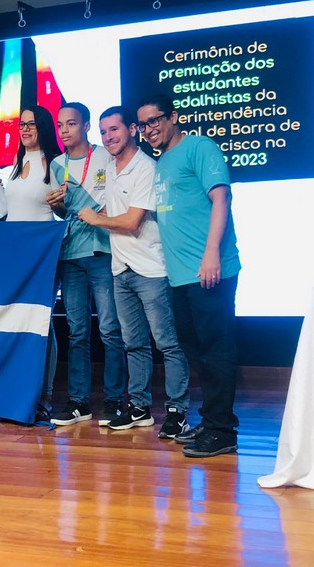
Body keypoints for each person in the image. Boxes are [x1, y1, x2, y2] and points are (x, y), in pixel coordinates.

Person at [136, 93, 241, 458]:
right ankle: (213, 420)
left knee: (216, 351)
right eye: (143, 125)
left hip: (210, 270)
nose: (149, 129)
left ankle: (222, 430)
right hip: (179, 275)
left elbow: (221, 198)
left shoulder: (200, 147)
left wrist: (211, 254)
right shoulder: (161, 162)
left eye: (155, 120)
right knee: (196, 350)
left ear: (173, 117)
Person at [77, 106, 190, 436]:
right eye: (103, 132)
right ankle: (139, 406)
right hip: (120, 266)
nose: (108, 137)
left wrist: (95, 219)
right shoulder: (110, 167)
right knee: (133, 343)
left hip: (150, 267)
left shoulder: (145, 167)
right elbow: (116, 209)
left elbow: (131, 221)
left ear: (131, 130)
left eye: (114, 130)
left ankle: (177, 410)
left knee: (167, 342)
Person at [46, 102, 126, 427]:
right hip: (70, 254)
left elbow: (117, 199)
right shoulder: (56, 163)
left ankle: (115, 400)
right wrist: (57, 205)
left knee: (109, 329)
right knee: (77, 331)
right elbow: (63, 211)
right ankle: (80, 401)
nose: (65, 130)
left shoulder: (105, 156)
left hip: (102, 251)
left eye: (72, 124)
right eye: (61, 124)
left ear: (86, 125)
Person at [5, 106, 62, 421]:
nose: (25, 129)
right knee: (16, 320)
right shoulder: (15, 162)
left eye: (32, 124)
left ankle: (45, 393)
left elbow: (63, 210)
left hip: (43, 255)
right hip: (15, 255)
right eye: (21, 124)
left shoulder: (53, 164)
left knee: (42, 322)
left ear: (43, 127)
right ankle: (19, 389)